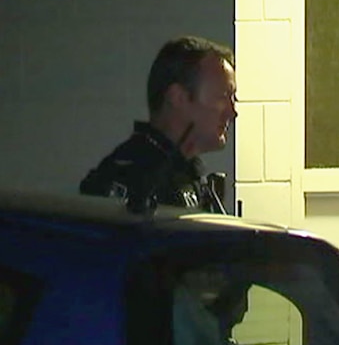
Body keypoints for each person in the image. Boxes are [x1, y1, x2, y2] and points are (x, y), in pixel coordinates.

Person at [80, 36, 237, 213]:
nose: (232, 112)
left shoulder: (188, 174)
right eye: (223, 97)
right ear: (177, 98)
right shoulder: (129, 179)